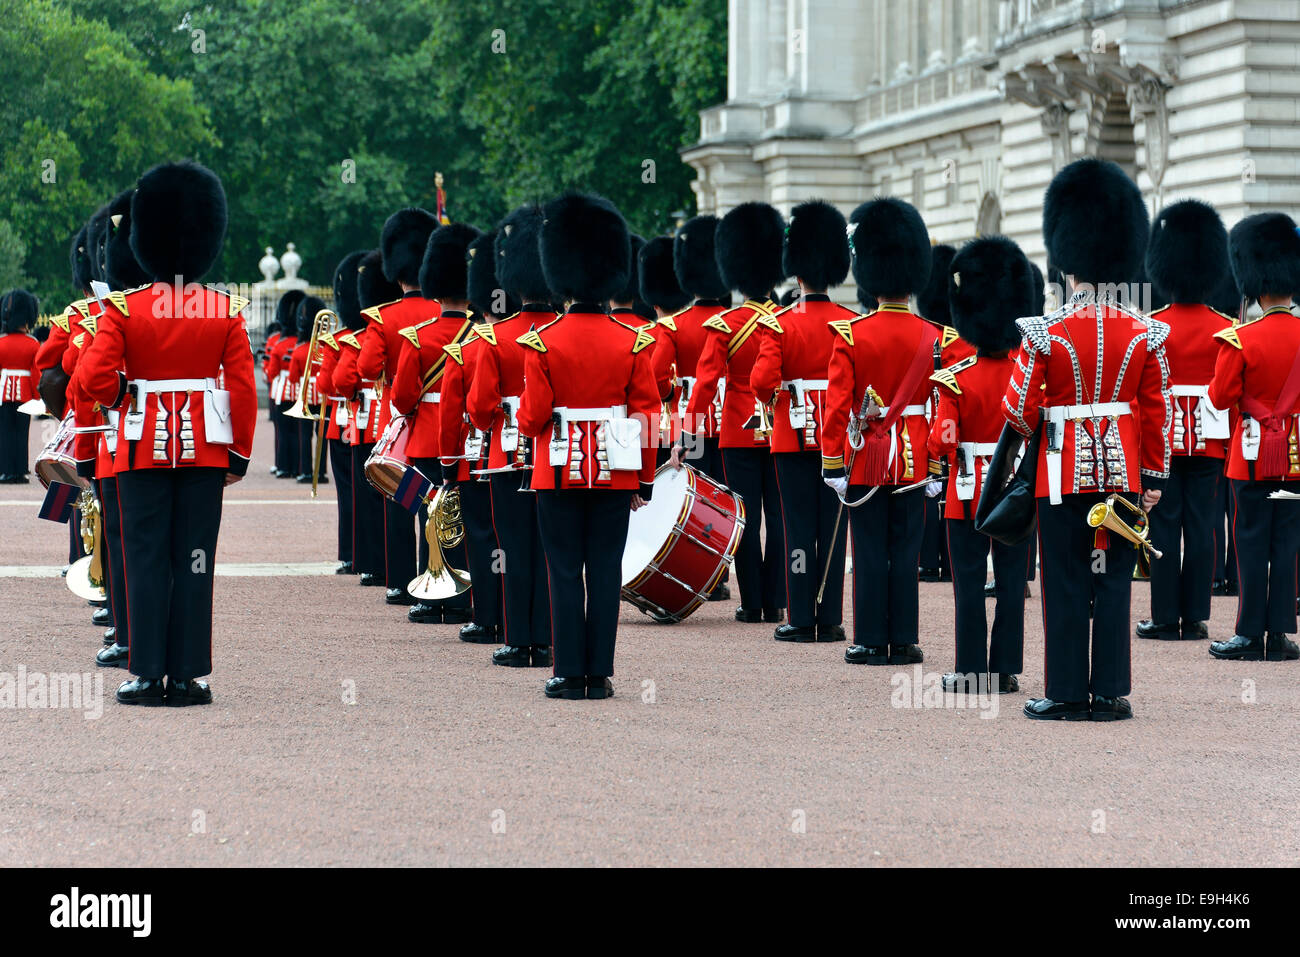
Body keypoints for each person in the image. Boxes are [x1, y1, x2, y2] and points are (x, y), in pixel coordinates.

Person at [80, 159, 257, 707]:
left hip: (138, 450)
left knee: (144, 558)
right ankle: (187, 677)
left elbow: (92, 377)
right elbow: (242, 388)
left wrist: (125, 396)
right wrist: (238, 454)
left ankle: (145, 672)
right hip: (206, 451)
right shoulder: (223, 310)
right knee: (195, 559)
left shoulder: (123, 310)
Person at [1003, 157, 1170, 721]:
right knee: (1114, 579)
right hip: (1123, 472)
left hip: (1059, 472)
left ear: (1066, 259)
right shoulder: (1146, 333)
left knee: (1065, 579)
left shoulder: (1044, 333)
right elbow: (1157, 414)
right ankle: (1111, 694)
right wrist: (1153, 479)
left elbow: (1019, 412)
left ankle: (1068, 692)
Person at [517, 192, 659, 700]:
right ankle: (598, 675)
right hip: (616, 473)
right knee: (604, 570)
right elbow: (647, 416)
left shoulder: (543, 342)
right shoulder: (633, 341)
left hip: (557, 472)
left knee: (562, 570)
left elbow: (532, 417)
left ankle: (568, 671)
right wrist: (644, 479)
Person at [822, 197, 938, 667]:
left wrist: (833, 463)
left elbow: (836, 407)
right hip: (916, 456)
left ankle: (871, 640)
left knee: (869, 549)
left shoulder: (852, 334)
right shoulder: (936, 336)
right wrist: (938, 465)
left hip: (866, 455)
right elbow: (943, 405)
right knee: (907, 550)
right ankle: (904, 641)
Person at [929, 236, 1038, 694]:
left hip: (968, 493)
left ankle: (971, 669)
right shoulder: (1027, 377)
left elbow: (941, 441)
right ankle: (1004, 670)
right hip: (1016, 492)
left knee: (969, 584)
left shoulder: (956, 381)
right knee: (1011, 583)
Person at [673, 203, 788, 624]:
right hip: (781, 430)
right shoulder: (786, 321)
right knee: (780, 517)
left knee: (745, 516)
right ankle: (777, 599)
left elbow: (705, 386)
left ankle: (752, 602)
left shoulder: (725, 324)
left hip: (738, 431)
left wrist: (686, 437)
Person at [749, 200, 857, 644]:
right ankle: (829, 618)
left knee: (797, 526)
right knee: (833, 526)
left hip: (791, 436)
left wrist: (779, 395)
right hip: (838, 440)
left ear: (796, 273)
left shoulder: (779, 323)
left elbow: (761, 383)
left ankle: (800, 617)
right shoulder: (851, 322)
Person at [1136, 200, 1234, 642]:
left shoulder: (1154, 326)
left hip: (1164, 444)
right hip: (1210, 444)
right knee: (1203, 528)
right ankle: (1194, 617)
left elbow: (1143, 394)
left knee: (1163, 525)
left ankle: (1164, 616)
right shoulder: (1225, 327)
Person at [1205, 212, 1300, 662]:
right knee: (1288, 545)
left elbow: (1219, 398)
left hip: (1250, 455)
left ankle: (1248, 634)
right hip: (1296, 456)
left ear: (1256, 285)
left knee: (1249, 542)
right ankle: (1280, 635)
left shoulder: (1239, 339)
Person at [467, 207, 554, 659]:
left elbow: (481, 410)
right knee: (552, 551)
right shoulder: (560, 332)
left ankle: (520, 640)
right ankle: (550, 638)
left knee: (514, 549)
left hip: (507, 457)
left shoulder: (494, 338)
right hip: (559, 458)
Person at [389, 222, 478, 626]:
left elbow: (402, 398)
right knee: (466, 516)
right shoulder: (481, 334)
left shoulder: (417, 336)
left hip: (427, 438)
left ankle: (434, 597)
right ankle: (465, 595)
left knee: (430, 515)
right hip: (471, 437)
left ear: (435, 289)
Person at [358, 208, 441, 608]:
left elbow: (366, 368)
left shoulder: (385, 317)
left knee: (401, 499)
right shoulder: (448, 314)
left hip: (401, 420)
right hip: (444, 423)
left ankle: (400, 580)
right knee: (437, 502)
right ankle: (434, 578)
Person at [653, 215, 733, 601]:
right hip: (731, 422)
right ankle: (723, 575)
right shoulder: (735, 323)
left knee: (695, 500)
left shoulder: (674, 326)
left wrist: (673, 394)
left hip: (690, 424)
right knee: (725, 500)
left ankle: (702, 577)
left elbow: (656, 376)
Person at [436, 228, 507, 653]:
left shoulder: (466, 349)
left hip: (477, 458)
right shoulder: (531, 341)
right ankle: (519, 621)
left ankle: (488, 618)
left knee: (481, 537)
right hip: (527, 457)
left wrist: (448, 466)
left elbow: (451, 417)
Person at [331, 250, 397, 587]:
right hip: (399, 420)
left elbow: (343, 381)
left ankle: (373, 562)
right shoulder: (410, 326)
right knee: (401, 495)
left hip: (367, 422)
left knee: (367, 494)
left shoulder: (362, 337)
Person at [317, 251, 367, 574]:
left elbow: (327, 384)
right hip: (378, 422)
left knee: (348, 492)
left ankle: (351, 554)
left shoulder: (339, 341)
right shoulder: (375, 335)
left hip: (344, 423)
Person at [637, 236, 692, 471]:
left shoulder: (642, 338)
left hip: (652, 430)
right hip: (689, 427)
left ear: (654, 303)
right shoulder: (698, 331)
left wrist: (669, 393)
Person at [286, 295, 330, 484]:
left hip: (305, 395)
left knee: (304, 435)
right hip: (324, 394)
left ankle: (305, 471)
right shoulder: (327, 348)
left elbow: (292, 378)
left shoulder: (299, 350)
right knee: (322, 436)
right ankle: (321, 473)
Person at [0, 289, 39, 483]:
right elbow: (36, 374)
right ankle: (20, 470)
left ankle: (5, 470)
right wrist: (38, 397)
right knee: (22, 433)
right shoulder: (33, 344)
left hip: (3, 392)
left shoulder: (1, 343)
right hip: (25, 394)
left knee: (4, 432)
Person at [267, 290, 304, 478]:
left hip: (282, 390)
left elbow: (272, 372)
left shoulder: (279, 344)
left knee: (283, 430)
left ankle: (283, 466)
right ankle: (298, 467)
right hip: (301, 390)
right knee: (298, 431)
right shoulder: (302, 343)